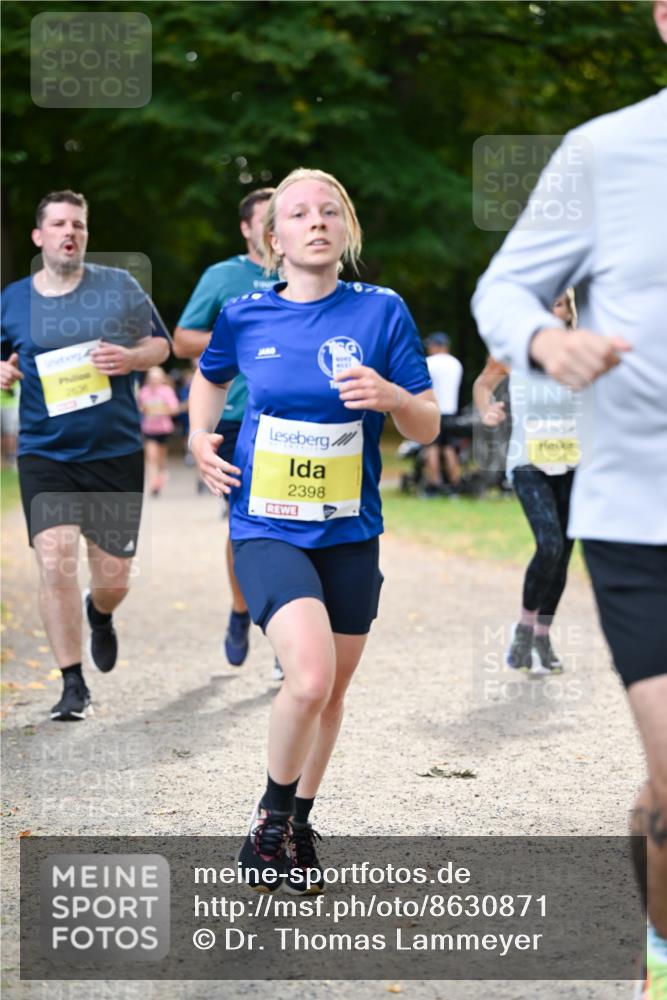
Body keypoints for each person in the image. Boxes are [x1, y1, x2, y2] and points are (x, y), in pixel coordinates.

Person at [472, 6, 667, 991]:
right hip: (644, 509)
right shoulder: (604, 152)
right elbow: (502, 290)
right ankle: (663, 948)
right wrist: (546, 343)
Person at [188, 167, 439, 892]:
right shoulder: (245, 313)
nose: (316, 222)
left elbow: (422, 424)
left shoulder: (381, 312)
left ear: (347, 228)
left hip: (350, 530)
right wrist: (200, 438)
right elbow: (207, 376)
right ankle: (268, 825)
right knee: (309, 676)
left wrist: (392, 396)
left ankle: (296, 822)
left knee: (331, 694)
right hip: (266, 524)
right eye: (298, 213)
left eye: (329, 211)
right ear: (274, 237)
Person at [0, 190, 170, 722]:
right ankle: (72, 684)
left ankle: (99, 612)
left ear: (86, 235)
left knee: (114, 576)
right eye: (57, 224)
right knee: (54, 561)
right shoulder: (12, 299)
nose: (68, 231)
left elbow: (160, 347)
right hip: (45, 453)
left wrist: (130, 357)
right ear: (39, 236)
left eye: (78, 224)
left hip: (114, 450)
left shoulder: (118, 287)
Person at [173, 189, 283, 678]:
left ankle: (288, 637)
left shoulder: (307, 275)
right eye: (265, 219)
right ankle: (241, 611)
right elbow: (182, 340)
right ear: (246, 228)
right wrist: (248, 337)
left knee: (295, 522)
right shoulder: (223, 277)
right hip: (237, 416)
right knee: (247, 528)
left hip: (294, 418)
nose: (275, 227)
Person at [473, 292, 579, 673]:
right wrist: (488, 409)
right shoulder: (514, 348)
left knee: (564, 552)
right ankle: (524, 627)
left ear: (568, 312)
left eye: (558, 303)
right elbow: (483, 385)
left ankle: (542, 636)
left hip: (574, 463)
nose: (551, 309)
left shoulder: (584, 350)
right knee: (549, 543)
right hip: (528, 461)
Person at [422, 332, 463, 496]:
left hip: (434, 411)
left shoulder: (430, 363)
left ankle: (434, 485)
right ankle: (455, 485)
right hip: (451, 412)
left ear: (436, 346)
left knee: (432, 448)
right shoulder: (456, 364)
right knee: (449, 448)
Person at [138, 366, 179, 496]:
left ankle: (161, 474)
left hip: (164, 429)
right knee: (151, 457)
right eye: (151, 378)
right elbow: (140, 408)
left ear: (162, 379)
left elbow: (175, 409)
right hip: (149, 429)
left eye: (156, 378)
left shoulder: (167, 391)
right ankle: (153, 484)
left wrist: (161, 411)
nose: (153, 381)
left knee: (161, 458)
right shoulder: (143, 392)